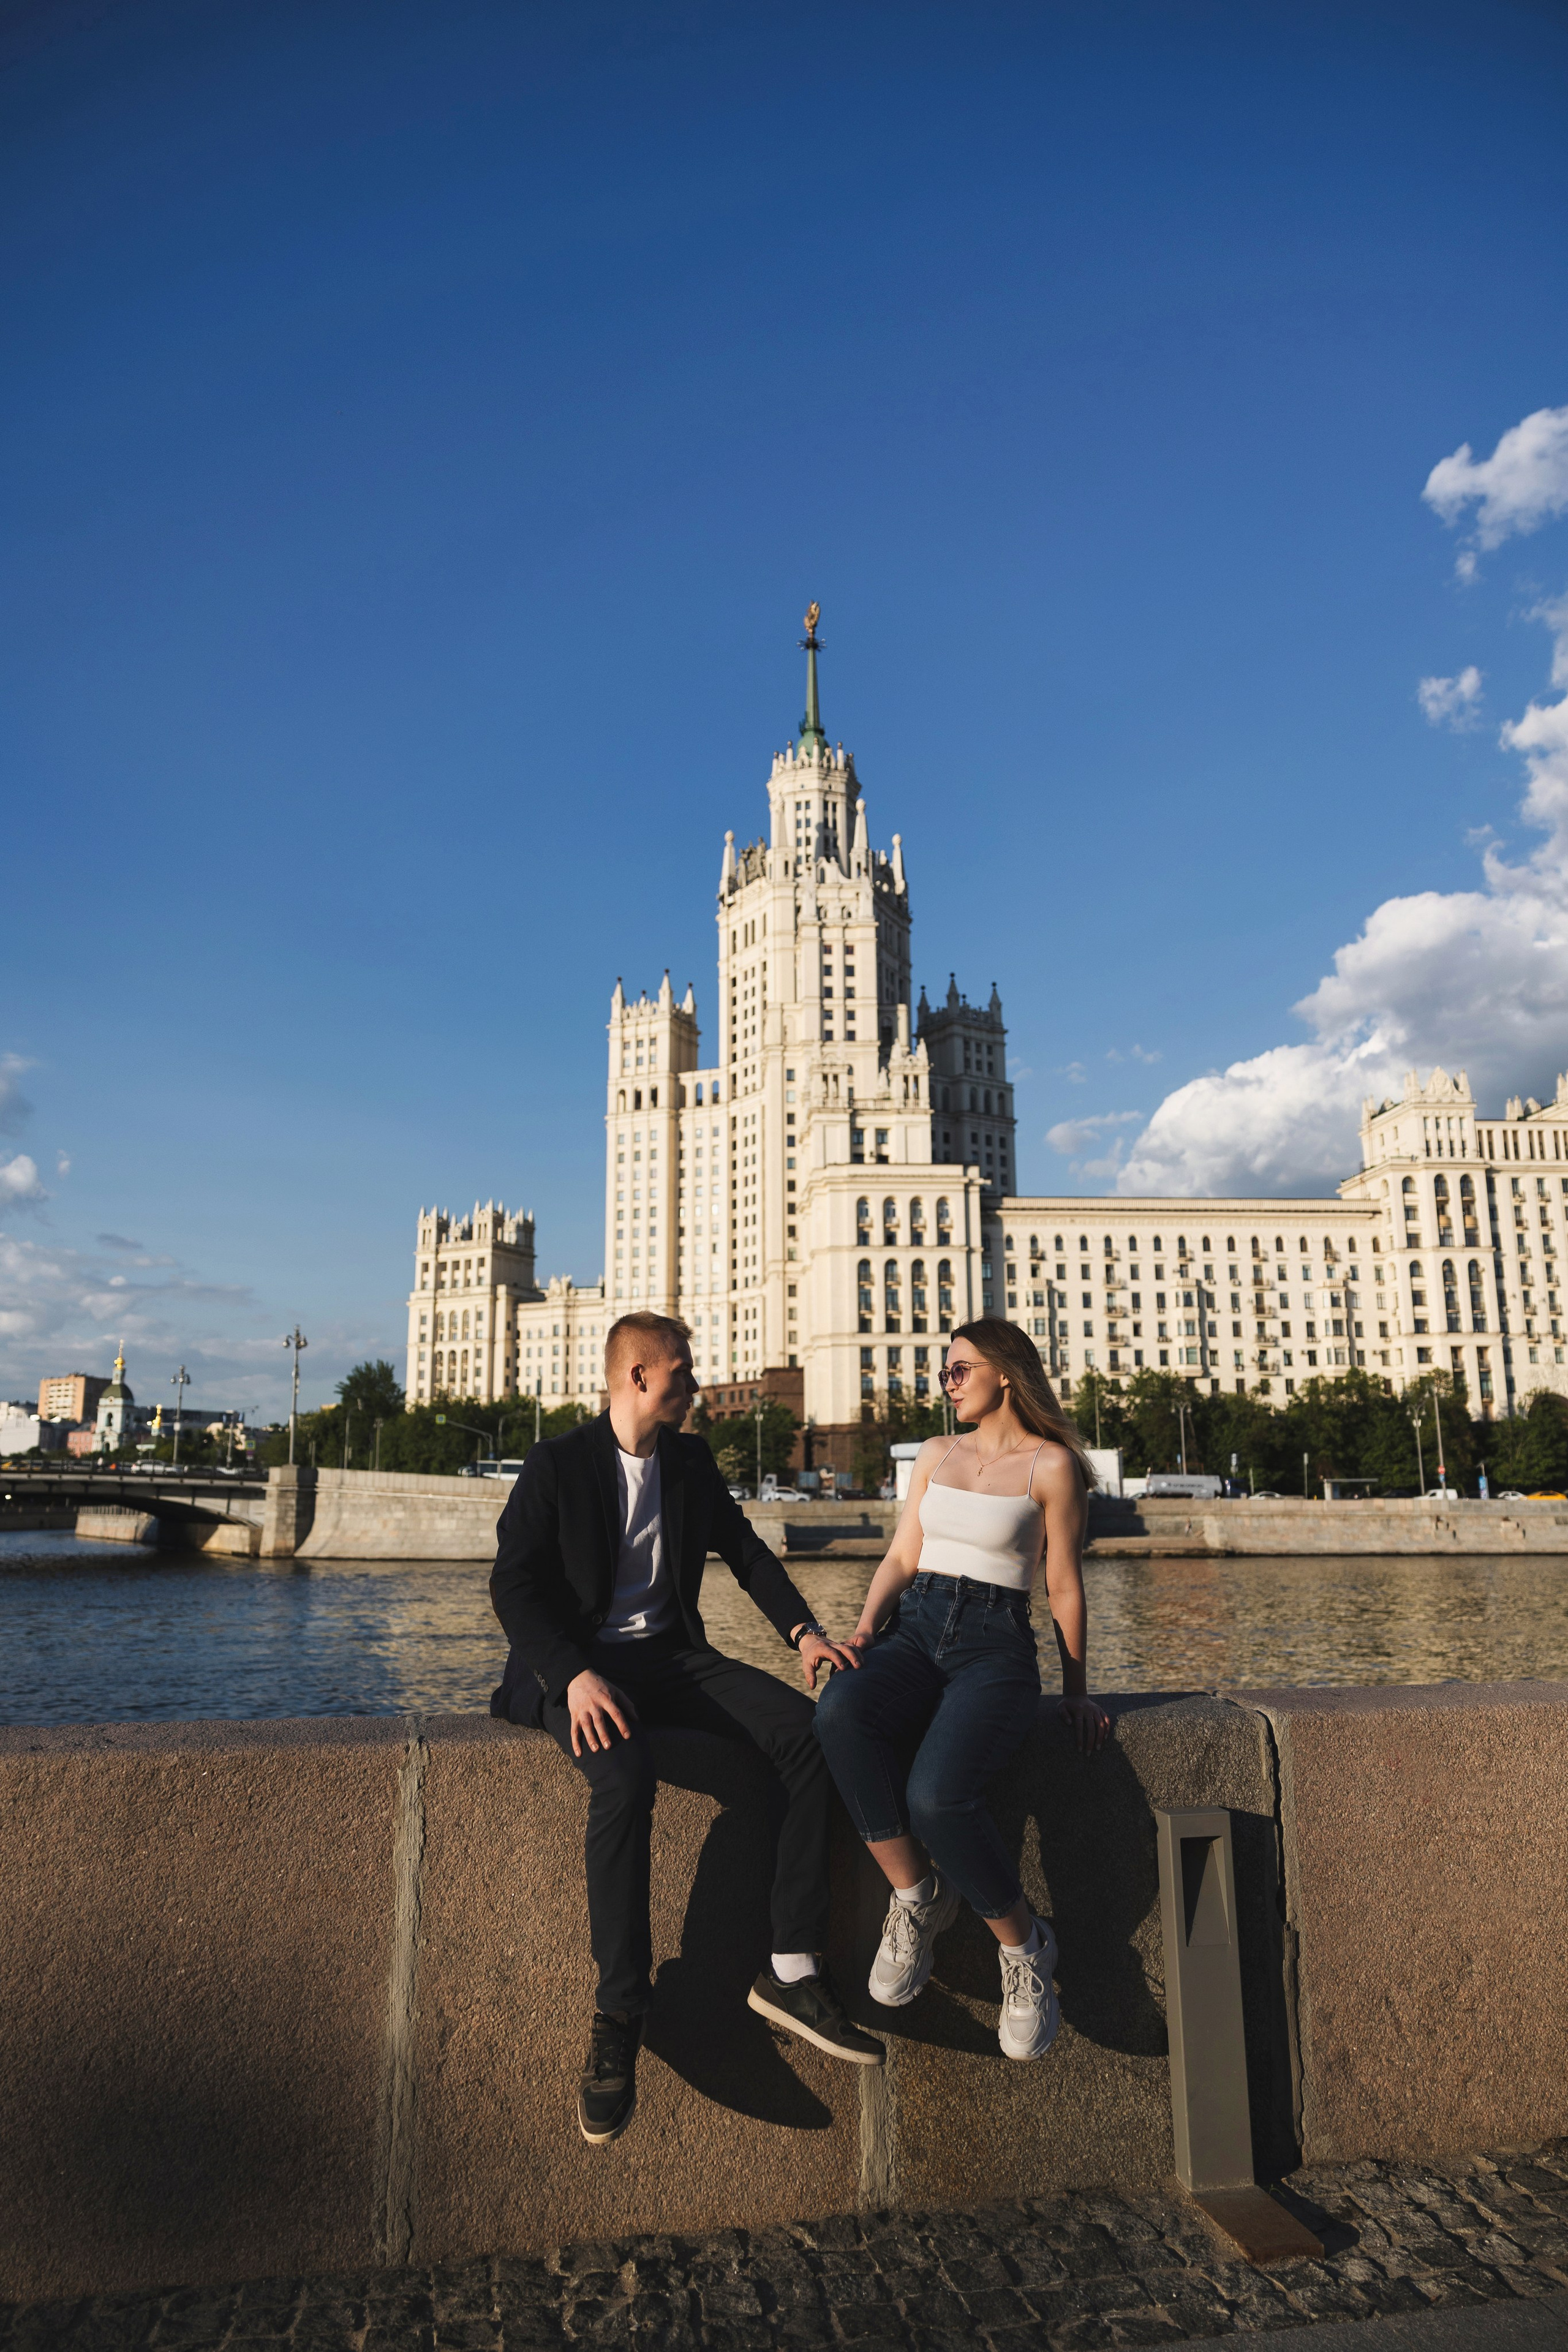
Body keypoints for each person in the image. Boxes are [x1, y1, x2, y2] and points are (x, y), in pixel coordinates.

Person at [489, 1310, 884, 2146]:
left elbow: (745, 1554)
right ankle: (620, 2014)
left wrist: (805, 1635)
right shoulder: (557, 1465)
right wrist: (572, 1675)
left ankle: (790, 1966)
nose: (696, 1385)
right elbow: (514, 1587)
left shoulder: (691, 1462)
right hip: (576, 1665)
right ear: (638, 1377)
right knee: (623, 1777)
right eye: (683, 1372)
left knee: (806, 1734)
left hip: (669, 1660)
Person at [811, 1317, 1109, 2061]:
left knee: (938, 1796)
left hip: (995, 1646)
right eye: (943, 1373)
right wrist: (861, 1630)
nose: (946, 1383)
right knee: (841, 1711)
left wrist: (1075, 1691)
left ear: (1004, 1373)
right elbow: (903, 1554)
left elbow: (1063, 1585)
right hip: (913, 1629)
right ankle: (916, 1896)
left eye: (958, 1369)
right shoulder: (937, 1456)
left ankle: (1024, 1949)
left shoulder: (1052, 1466)